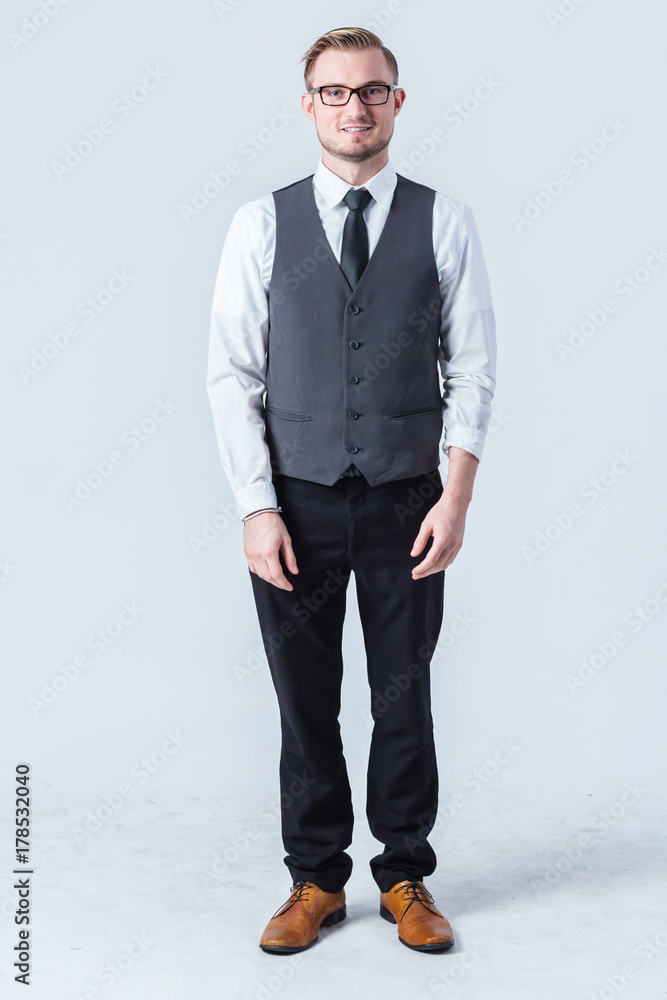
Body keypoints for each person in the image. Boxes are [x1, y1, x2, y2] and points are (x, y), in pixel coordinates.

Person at [207, 26, 497, 954]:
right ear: (310, 106)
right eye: (335, 93)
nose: (354, 108)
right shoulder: (261, 224)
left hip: (410, 501)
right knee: (304, 699)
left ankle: (406, 873)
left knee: (401, 697)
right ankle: (314, 881)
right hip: (296, 501)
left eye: (371, 91)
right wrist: (256, 507)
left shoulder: (442, 220)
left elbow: (475, 373)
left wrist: (454, 499)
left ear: (396, 102)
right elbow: (231, 375)